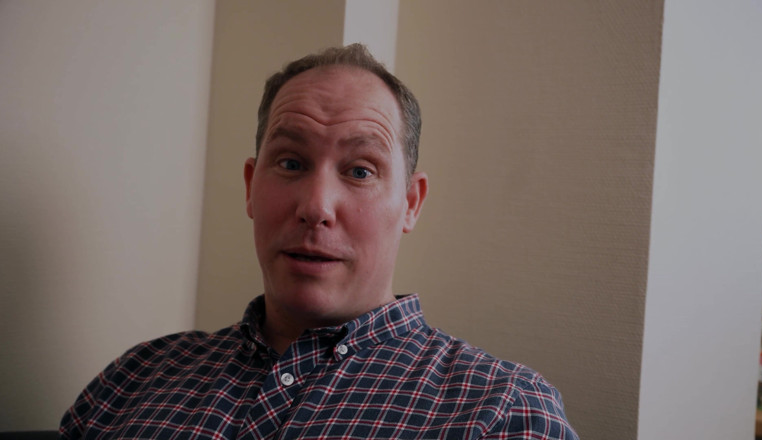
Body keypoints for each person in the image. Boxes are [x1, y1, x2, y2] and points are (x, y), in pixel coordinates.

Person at [60, 44, 578, 439]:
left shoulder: (502, 412)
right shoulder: (132, 380)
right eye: (290, 163)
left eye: (360, 170)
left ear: (411, 203)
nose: (316, 206)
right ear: (250, 186)